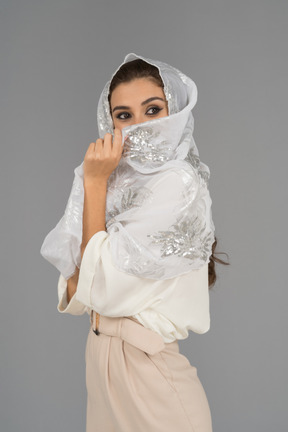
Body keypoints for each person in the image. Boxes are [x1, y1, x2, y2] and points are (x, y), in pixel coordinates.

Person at [40, 53, 228, 432]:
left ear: (175, 112)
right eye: (124, 116)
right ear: (109, 122)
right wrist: (90, 280)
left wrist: (95, 184)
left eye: (153, 110)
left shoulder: (178, 183)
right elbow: (77, 288)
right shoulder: (118, 180)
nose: (139, 127)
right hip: (101, 365)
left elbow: (95, 286)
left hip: (149, 376)